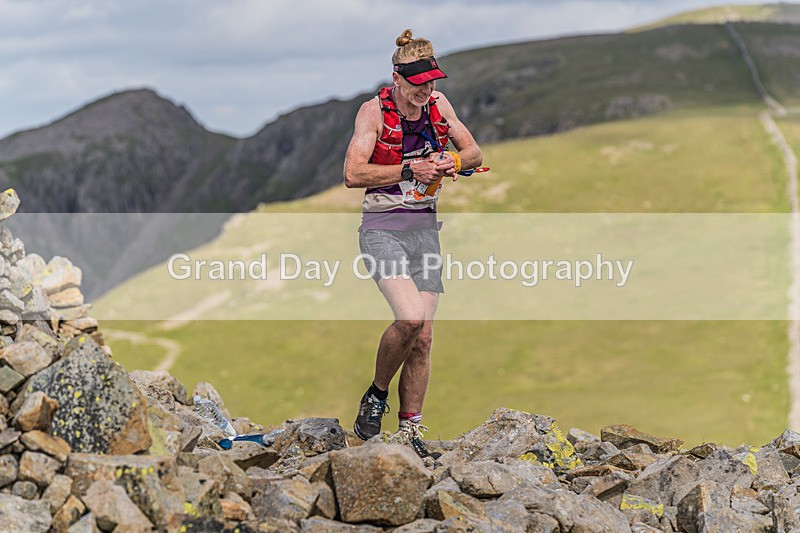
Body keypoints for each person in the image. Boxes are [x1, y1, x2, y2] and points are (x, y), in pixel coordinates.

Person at [343, 29, 482, 459]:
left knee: (423, 338)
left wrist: (453, 161)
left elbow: (474, 151)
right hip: (382, 229)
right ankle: (376, 394)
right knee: (409, 318)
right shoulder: (373, 112)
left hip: (425, 231)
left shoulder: (439, 105)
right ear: (398, 78)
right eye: (419, 83)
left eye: (433, 81)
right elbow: (353, 174)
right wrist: (409, 170)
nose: (428, 90)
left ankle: (411, 432)